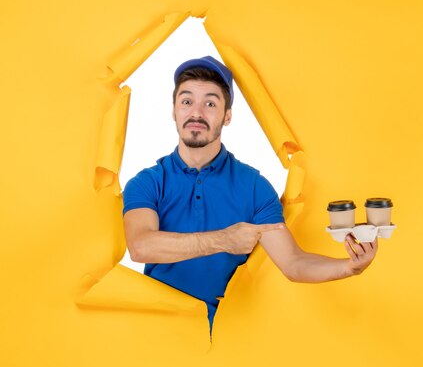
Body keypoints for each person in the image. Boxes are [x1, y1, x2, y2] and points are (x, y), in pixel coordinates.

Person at [122, 56, 377, 327]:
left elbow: (293, 262)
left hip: (229, 335)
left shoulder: (253, 187)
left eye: (210, 103)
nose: (196, 113)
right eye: (187, 101)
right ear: (174, 111)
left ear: (227, 116)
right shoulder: (147, 182)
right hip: (157, 333)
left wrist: (349, 267)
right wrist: (222, 240)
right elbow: (140, 247)